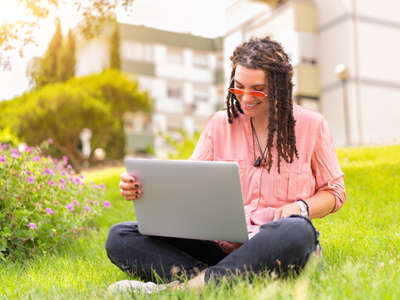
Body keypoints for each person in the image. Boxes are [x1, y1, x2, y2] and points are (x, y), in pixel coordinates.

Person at [105, 36, 346, 294]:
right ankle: (219, 281)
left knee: (297, 233)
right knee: (120, 236)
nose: (245, 98)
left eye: (257, 89)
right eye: (238, 87)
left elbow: (334, 193)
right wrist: (140, 187)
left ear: (280, 87)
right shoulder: (220, 125)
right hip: (220, 248)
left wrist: (300, 207)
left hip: (277, 244)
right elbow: (186, 183)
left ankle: (185, 287)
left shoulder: (313, 125)